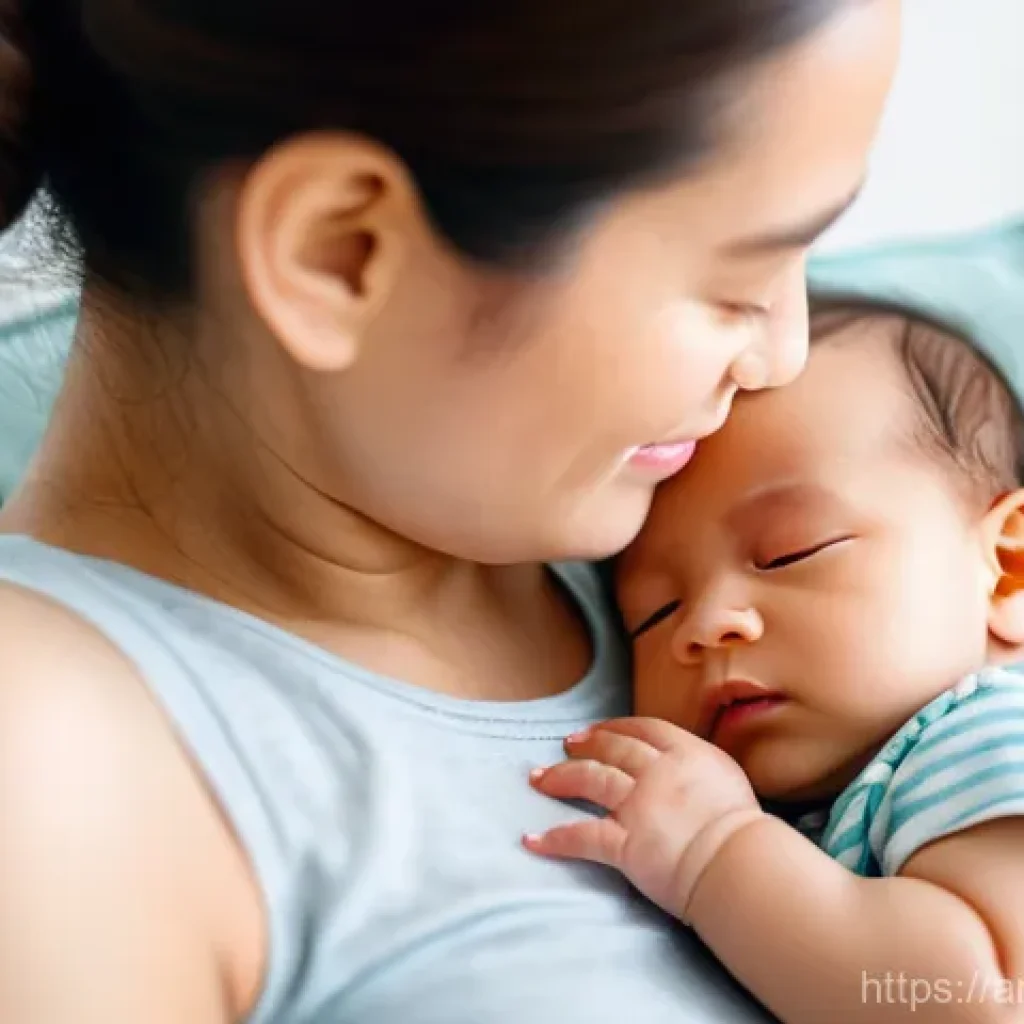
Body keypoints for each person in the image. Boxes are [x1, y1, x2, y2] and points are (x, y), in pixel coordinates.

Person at [0, 1, 900, 1021]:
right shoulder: (56, 768)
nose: (784, 353)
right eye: (736, 280)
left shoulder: (710, 510)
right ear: (342, 253)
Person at [527, 306, 1024, 1022]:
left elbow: (983, 1002)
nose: (704, 625)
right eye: (655, 615)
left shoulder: (989, 734)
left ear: (1008, 568)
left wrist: (717, 852)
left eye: (791, 553)